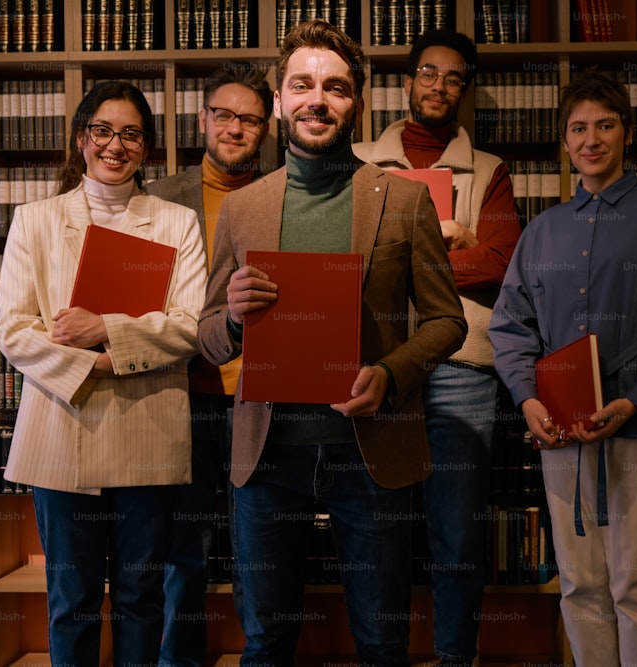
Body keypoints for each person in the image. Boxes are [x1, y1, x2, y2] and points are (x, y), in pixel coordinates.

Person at [196, 19, 467, 667]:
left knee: (382, 643)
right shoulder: (243, 208)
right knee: (265, 643)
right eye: (303, 85)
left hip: (369, 457)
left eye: (336, 88)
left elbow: (446, 320)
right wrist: (231, 318)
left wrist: (392, 372)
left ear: (358, 102)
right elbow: (207, 340)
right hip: (265, 461)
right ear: (282, 100)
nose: (318, 99)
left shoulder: (403, 202)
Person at [488, 69, 637, 666]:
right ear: (564, 141)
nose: (591, 139)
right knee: (581, 589)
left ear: (627, 133)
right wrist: (527, 398)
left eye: (604, 125)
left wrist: (633, 398)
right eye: (578, 127)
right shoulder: (541, 230)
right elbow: (509, 327)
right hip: (564, 434)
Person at [0, 81, 207, 666]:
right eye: (103, 130)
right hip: (63, 432)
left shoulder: (177, 222)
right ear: (82, 138)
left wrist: (106, 332)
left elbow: (189, 326)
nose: (116, 144)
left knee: (142, 597)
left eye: (132, 133)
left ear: (148, 146)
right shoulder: (34, 220)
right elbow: (11, 329)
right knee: (72, 600)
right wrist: (94, 365)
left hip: (148, 434)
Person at [353, 29, 521, 666]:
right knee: (379, 532)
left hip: (462, 366)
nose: (439, 87)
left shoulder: (491, 170)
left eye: (453, 78)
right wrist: (447, 244)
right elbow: (350, 260)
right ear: (407, 81)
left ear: (464, 90)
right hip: (383, 363)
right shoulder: (361, 161)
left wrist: (407, 261)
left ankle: (456, 658)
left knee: (457, 535)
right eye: (429, 73)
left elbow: (504, 261)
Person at [146, 62, 272, 667]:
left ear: (266, 129)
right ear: (203, 119)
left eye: (249, 118)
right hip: (183, 396)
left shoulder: (283, 194)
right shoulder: (159, 201)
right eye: (224, 114)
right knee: (184, 548)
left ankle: (261, 657)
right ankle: (181, 661)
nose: (235, 127)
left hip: (262, 399)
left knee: (257, 547)